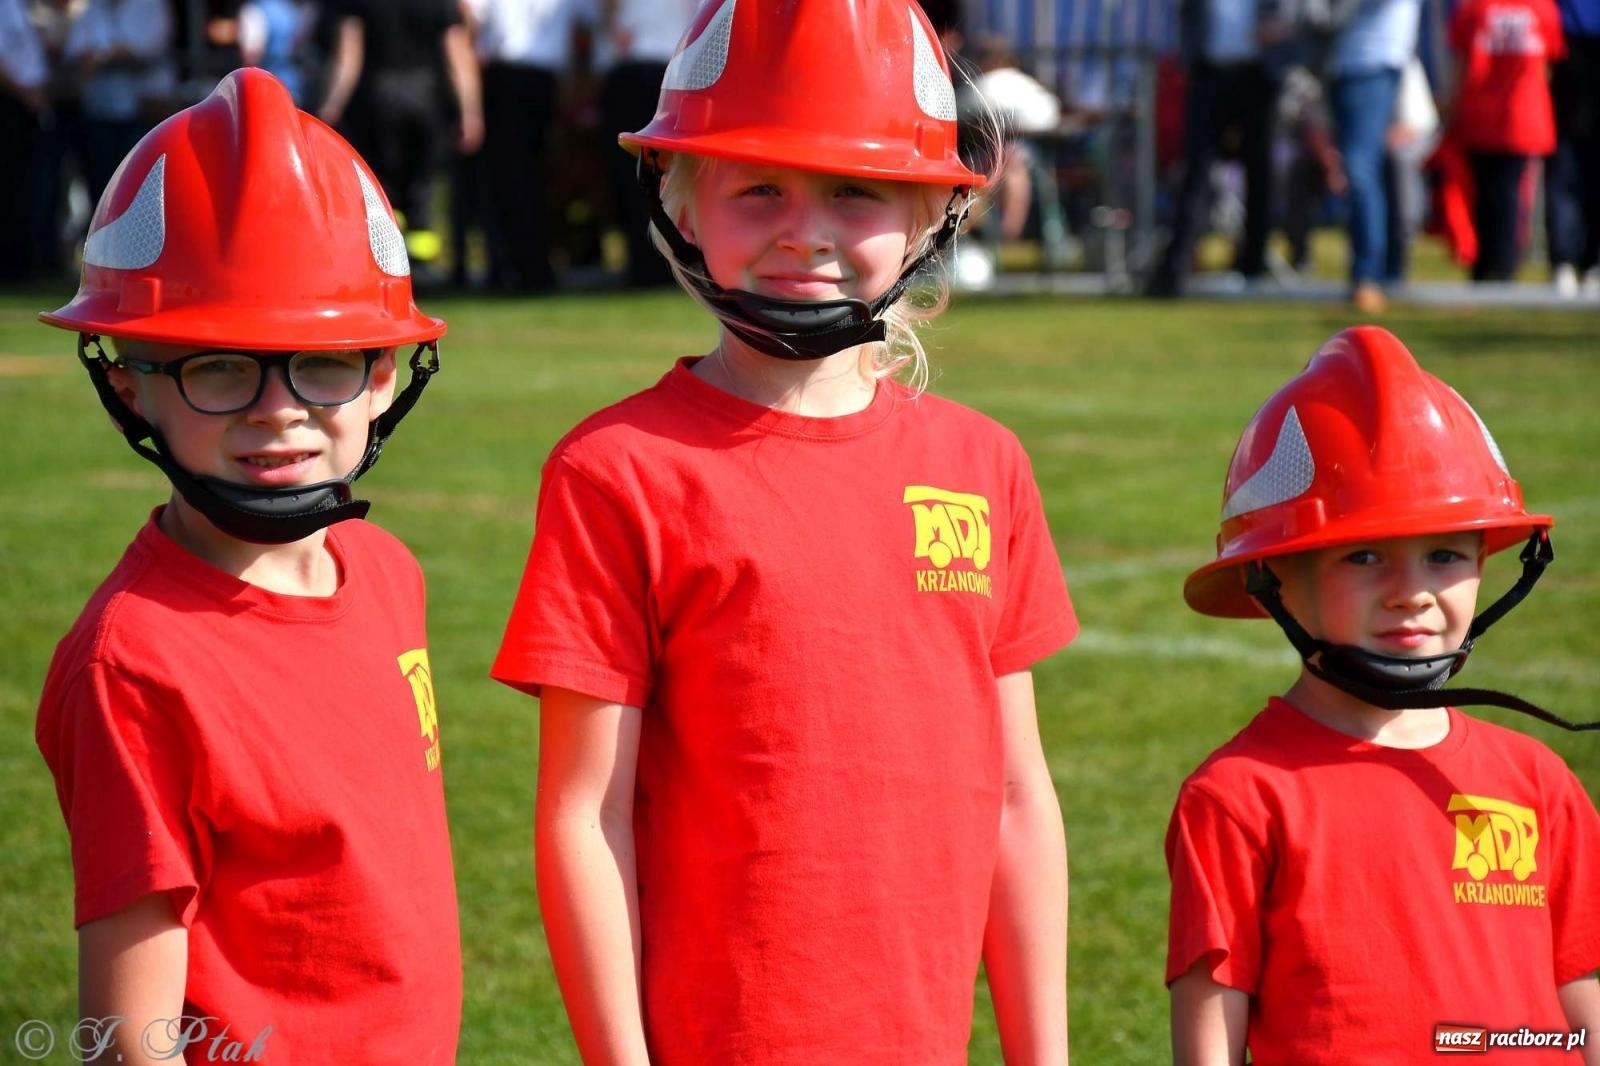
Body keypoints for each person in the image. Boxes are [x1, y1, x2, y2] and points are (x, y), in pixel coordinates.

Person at [491, 2, 1078, 1062]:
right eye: (758, 187)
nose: (803, 229)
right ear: (681, 204)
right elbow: (586, 816)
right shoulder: (616, 470)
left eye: (854, 191)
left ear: (928, 214)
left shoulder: (983, 465)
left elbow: (1015, 795)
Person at [35, 68, 460, 1063]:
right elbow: (126, 1038)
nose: (278, 410)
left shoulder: (387, 570)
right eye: (215, 365)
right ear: (132, 383)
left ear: (386, 373)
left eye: (322, 362)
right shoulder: (132, 663)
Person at [1168, 325, 1600, 1065]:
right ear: (1276, 577)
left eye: (1443, 555)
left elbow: (1581, 1002)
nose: (1412, 594)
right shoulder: (1238, 798)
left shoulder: (1538, 783)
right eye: (1364, 556)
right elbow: (1209, 1040)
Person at [1447, 0, 1565, 283]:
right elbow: (1548, 60)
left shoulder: (1474, 7)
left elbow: (1459, 62)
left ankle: (1488, 267)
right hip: (1522, 115)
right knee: (1509, 197)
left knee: (1486, 197)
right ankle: (1501, 267)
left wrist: (1450, 107)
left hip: (1481, 112)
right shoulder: (1541, 7)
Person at [1326, 0, 1421, 312]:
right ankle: (1388, 268)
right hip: (1349, 62)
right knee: (1372, 167)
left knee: (1360, 168)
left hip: (1374, 61)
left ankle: (1368, 274)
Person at [1545, 0, 1600, 296]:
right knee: (1564, 164)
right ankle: (1564, 260)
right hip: (1566, 47)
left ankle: (1588, 262)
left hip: (1574, 46)